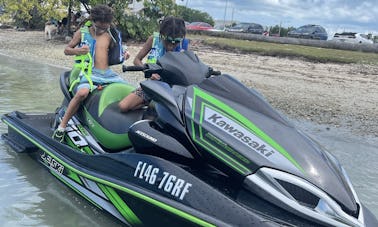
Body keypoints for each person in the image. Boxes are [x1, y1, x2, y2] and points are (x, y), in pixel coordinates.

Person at [52, 4, 130, 142]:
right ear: (92, 20)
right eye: (99, 27)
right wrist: (77, 51)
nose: (101, 30)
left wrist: (125, 56)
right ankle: (62, 127)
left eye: (104, 28)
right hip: (87, 74)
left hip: (108, 75)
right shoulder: (82, 33)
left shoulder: (110, 35)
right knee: (82, 93)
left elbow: (114, 56)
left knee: (131, 91)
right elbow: (67, 50)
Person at [118, 16, 189, 112]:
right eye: (168, 41)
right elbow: (137, 60)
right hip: (153, 86)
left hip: (173, 90)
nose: (171, 46)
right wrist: (149, 71)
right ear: (162, 35)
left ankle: (152, 105)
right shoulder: (153, 40)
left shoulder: (183, 44)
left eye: (175, 42)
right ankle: (149, 104)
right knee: (123, 106)